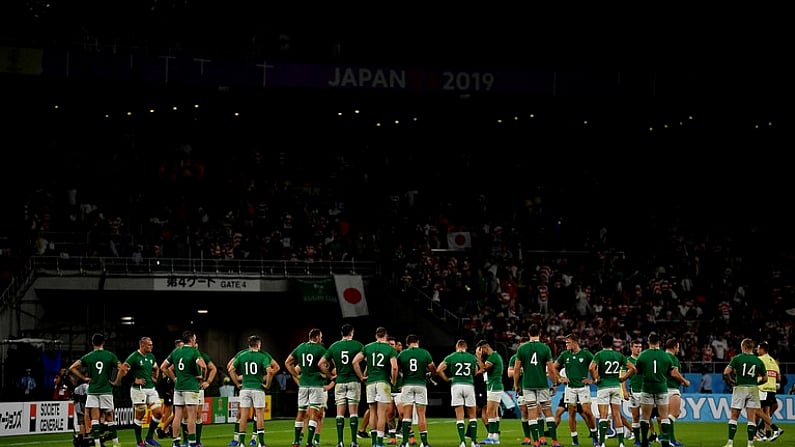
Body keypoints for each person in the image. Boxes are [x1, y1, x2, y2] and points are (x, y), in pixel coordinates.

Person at [68, 333, 123, 447]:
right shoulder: (110, 355)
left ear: (92, 343)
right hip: (106, 390)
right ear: (103, 343)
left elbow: (72, 367)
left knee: (95, 418)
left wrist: (84, 378)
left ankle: (97, 443)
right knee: (109, 417)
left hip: (93, 390)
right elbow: (122, 368)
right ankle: (115, 443)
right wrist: (116, 381)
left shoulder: (88, 356)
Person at [514, 324, 562, 447]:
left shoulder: (522, 349)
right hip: (542, 384)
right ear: (539, 334)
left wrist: (516, 385)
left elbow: (516, 369)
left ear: (529, 334)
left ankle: (535, 441)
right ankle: (555, 441)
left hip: (527, 385)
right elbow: (551, 369)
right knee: (548, 412)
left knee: (532, 411)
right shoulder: (545, 348)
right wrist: (555, 383)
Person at [634, 332, 685, 447]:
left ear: (648, 342)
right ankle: (665, 440)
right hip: (662, 389)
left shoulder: (643, 355)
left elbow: (637, 371)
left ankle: (645, 442)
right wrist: (684, 381)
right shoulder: (666, 356)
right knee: (664, 416)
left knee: (645, 417)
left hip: (647, 388)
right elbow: (672, 372)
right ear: (659, 343)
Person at [159, 330, 207, 447]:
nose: (195, 340)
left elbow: (163, 367)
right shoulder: (194, 351)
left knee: (178, 415)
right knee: (191, 415)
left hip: (178, 387)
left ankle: (175, 442)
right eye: (194, 338)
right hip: (190, 387)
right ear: (191, 339)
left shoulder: (176, 351)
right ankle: (191, 442)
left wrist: (175, 379)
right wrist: (202, 378)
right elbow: (204, 366)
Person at [229, 335, 279, 447]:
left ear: (249, 344)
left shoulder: (242, 355)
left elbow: (231, 369)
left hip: (245, 388)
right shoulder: (262, 356)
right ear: (258, 344)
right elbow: (270, 371)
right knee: (259, 415)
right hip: (258, 388)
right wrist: (267, 384)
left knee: (243, 416)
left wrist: (237, 382)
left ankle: (241, 443)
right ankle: (260, 443)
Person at [353, 326, 398, 447]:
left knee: (372, 412)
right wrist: (393, 380)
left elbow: (355, 361)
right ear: (386, 336)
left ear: (376, 335)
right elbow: (394, 367)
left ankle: (373, 442)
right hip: (383, 382)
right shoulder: (389, 349)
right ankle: (379, 442)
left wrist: (362, 376)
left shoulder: (368, 347)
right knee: (382, 413)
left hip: (370, 383)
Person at [322, 323, 365, 447]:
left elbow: (321, 363)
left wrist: (330, 376)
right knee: (353, 413)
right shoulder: (358, 345)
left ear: (342, 333)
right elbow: (368, 361)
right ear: (351, 332)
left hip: (340, 382)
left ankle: (340, 442)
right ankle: (353, 442)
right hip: (353, 381)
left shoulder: (334, 346)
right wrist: (363, 375)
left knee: (339, 413)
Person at [589, 334, 636, 447]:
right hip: (615, 386)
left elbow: (591, 367)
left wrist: (595, 379)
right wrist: (624, 378)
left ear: (602, 343)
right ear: (612, 343)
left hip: (604, 386)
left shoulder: (599, 354)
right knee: (616, 415)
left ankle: (602, 443)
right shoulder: (618, 355)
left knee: (603, 415)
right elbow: (633, 368)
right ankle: (620, 443)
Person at [286, 327, 330, 447]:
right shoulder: (320, 349)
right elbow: (324, 365)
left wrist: (297, 376)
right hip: (316, 385)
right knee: (314, 414)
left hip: (303, 385)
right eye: (320, 337)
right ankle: (310, 442)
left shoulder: (300, 347)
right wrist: (327, 374)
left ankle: (296, 441)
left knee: (301, 412)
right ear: (316, 337)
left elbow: (287, 362)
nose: (321, 339)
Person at [117, 336, 164, 447]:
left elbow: (155, 367)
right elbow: (123, 370)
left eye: (151, 344)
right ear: (142, 345)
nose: (151, 346)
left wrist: (154, 376)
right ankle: (139, 442)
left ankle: (149, 437)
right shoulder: (134, 357)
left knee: (158, 413)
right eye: (149, 344)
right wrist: (134, 380)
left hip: (151, 388)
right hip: (138, 390)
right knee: (140, 414)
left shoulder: (151, 356)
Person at [722, 338, 768, 447]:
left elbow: (726, 372)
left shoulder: (737, 358)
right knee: (751, 418)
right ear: (752, 348)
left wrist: (732, 382)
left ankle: (730, 443)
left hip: (740, 388)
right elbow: (765, 379)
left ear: (743, 347)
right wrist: (757, 383)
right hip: (753, 389)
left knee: (734, 416)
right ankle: (750, 443)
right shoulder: (759, 361)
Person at [554, 333, 597, 446]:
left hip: (583, 388)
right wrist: (560, 378)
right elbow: (554, 367)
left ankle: (594, 434)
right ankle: (574, 438)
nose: (566, 345)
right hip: (570, 388)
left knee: (587, 412)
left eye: (568, 342)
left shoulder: (586, 354)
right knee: (571, 413)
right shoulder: (564, 355)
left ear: (575, 342)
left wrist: (593, 380)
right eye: (566, 343)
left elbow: (596, 366)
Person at [437, 339, 481, 447]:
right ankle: (474, 442)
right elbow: (476, 372)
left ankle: (462, 442)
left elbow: (438, 370)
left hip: (456, 385)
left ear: (457, 347)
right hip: (469, 385)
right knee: (472, 416)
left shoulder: (451, 357)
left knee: (459, 416)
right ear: (465, 347)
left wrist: (447, 379)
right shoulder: (471, 357)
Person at [397, 334, 437, 447]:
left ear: (407, 343)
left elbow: (397, 369)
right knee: (421, 415)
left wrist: (401, 376)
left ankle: (405, 443)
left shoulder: (402, 354)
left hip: (407, 385)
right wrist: (429, 374)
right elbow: (433, 368)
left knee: (406, 415)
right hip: (421, 385)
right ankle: (424, 443)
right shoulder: (425, 353)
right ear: (417, 342)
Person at [475, 340, 504, 445]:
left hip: (494, 386)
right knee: (494, 412)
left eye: (480, 350)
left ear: (485, 348)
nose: (481, 353)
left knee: (489, 412)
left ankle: (492, 436)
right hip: (494, 385)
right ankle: (494, 436)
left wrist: (478, 357)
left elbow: (483, 369)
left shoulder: (493, 357)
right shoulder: (495, 356)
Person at [663, 338, 690, 447]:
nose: (678, 349)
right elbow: (674, 373)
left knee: (667, 416)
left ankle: (671, 440)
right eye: (678, 347)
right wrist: (684, 381)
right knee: (674, 414)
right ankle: (665, 438)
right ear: (674, 347)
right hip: (671, 389)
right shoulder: (672, 357)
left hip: (661, 389)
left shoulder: (661, 357)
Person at [191, 340, 218, 447]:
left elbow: (213, 369)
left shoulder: (202, 356)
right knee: (185, 415)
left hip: (198, 388)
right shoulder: (184, 354)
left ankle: (197, 441)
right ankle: (184, 440)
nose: (195, 345)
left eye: (196, 343)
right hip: (185, 388)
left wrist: (208, 382)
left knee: (197, 414)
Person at [755, 342, 783, 441]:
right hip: (772, 389)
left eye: (758, 349)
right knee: (766, 411)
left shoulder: (759, 360)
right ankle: (766, 434)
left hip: (763, 388)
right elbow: (778, 377)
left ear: (762, 349)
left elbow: (754, 373)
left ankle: (775, 429)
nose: (757, 350)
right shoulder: (773, 361)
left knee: (757, 411)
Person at [508, 337, 534, 445]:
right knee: (524, 412)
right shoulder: (514, 358)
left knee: (535, 413)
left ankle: (540, 437)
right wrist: (519, 370)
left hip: (532, 388)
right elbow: (509, 374)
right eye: (521, 346)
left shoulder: (532, 357)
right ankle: (527, 438)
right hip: (520, 389)